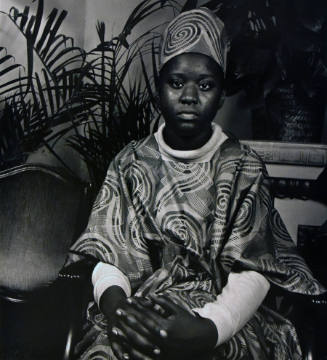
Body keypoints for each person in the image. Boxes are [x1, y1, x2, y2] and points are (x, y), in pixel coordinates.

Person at [65, 8, 326, 360]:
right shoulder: (130, 163)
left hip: (224, 313)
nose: (189, 96)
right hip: (140, 307)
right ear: (158, 88)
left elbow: (253, 271)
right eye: (176, 83)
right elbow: (110, 256)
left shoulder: (243, 169)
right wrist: (121, 313)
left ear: (220, 96)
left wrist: (210, 328)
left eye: (205, 85)